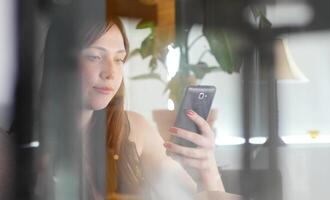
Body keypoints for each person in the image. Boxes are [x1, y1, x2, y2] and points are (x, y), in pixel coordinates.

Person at [39, 12, 226, 200]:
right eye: (95, 57)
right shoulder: (25, 145)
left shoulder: (135, 129)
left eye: (119, 59)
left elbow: (188, 197)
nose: (111, 73)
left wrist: (208, 168)